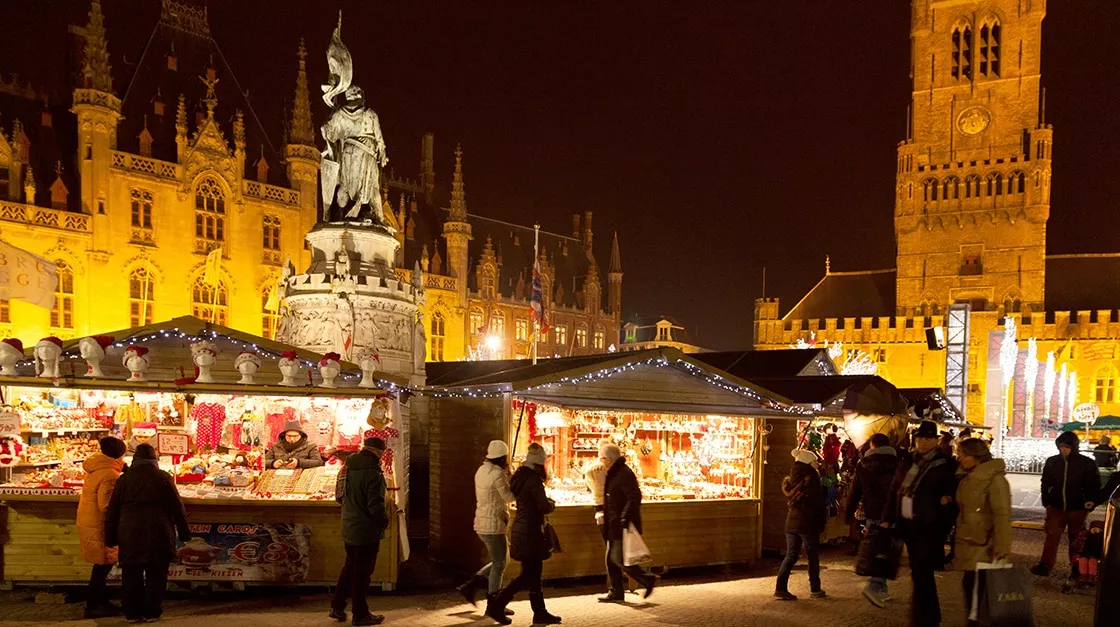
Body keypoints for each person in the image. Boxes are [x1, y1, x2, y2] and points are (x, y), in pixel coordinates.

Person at [105, 443, 191, 624]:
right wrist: (184, 533)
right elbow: (178, 507)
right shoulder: (163, 478)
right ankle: (152, 612)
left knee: (131, 574)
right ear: (154, 460)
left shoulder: (124, 479)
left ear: (135, 459)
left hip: (130, 532)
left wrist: (111, 537)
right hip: (159, 531)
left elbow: (113, 510)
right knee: (157, 574)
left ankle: (132, 613)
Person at [891, 420, 957, 627]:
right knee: (920, 572)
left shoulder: (946, 464)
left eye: (928, 438)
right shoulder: (908, 460)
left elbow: (952, 498)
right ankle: (926, 615)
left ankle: (924, 617)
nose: (923, 442)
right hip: (908, 523)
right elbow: (896, 490)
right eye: (920, 437)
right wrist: (888, 518)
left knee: (922, 572)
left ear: (936, 441)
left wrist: (943, 524)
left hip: (929, 527)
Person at [486, 443, 560, 625]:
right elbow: (542, 506)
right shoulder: (534, 480)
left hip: (522, 529)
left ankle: (540, 613)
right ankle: (497, 605)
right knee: (528, 575)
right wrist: (551, 504)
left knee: (533, 574)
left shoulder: (520, 476)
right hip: (531, 532)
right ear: (539, 463)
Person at [330, 437, 390, 626]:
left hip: (348, 526)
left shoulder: (345, 468)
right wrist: (384, 522)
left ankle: (337, 606)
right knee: (362, 573)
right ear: (378, 453)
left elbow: (339, 497)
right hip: (366, 531)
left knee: (350, 567)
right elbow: (376, 506)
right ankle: (360, 614)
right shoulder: (373, 473)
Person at [953, 438, 1012, 625]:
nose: (959, 459)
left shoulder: (995, 480)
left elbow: (1002, 516)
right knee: (972, 591)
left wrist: (1002, 548)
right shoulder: (968, 477)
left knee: (980, 595)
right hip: (970, 541)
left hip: (984, 545)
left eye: (962, 455)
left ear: (975, 456)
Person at [457, 440, 517, 613]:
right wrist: (512, 479)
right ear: (502, 457)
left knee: (501, 561)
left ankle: (472, 584)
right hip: (494, 524)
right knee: (500, 564)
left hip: (482, 521)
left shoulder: (482, 470)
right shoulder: (498, 474)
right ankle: (494, 602)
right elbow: (509, 497)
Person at [1032, 431, 1099, 577]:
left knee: (1077, 539)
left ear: (1074, 447)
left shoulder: (1086, 463)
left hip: (1077, 507)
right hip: (1056, 506)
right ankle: (1045, 565)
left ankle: (1076, 567)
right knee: (1051, 536)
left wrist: (1091, 501)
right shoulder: (1052, 462)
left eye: (1067, 446)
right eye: (1061, 446)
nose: (1064, 449)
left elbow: (1093, 484)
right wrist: (1047, 500)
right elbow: (1045, 482)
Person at [598, 443, 657, 603]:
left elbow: (634, 497)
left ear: (608, 459)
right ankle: (616, 591)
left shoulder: (623, 473)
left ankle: (646, 578)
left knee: (617, 558)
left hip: (621, 523)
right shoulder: (615, 472)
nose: (601, 462)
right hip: (614, 521)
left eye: (602, 458)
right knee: (611, 558)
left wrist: (624, 517)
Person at [846, 432, 899, 607]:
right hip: (892, 512)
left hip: (872, 511)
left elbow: (855, 491)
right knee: (886, 549)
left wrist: (849, 513)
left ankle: (880, 588)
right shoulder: (897, 463)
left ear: (873, 445)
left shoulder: (864, 464)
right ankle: (875, 585)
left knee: (878, 546)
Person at [77, 436, 127, 619]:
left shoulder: (97, 467)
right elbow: (106, 505)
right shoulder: (109, 475)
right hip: (101, 525)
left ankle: (100, 600)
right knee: (102, 565)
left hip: (92, 521)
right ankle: (94, 605)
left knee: (101, 565)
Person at [775, 449, 827, 601]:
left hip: (792, 522)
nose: (817, 463)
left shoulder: (793, 477)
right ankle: (815, 589)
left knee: (791, 555)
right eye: (814, 461)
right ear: (808, 462)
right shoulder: (811, 477)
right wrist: (821, 521)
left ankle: (780, 588)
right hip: (808, 522)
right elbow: (817, 502)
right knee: (812, 556)